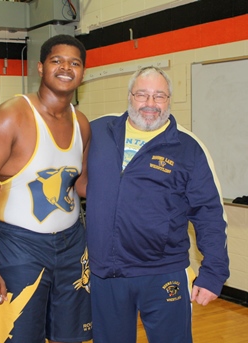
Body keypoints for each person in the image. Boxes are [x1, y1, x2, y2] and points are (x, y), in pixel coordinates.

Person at [81, 66, 229, 343]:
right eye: (143, 95)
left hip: (162, 271)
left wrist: (213, 273)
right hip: (107, 273)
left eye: (159, 96)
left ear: (170, 101)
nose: (150, 104)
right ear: (129, 96)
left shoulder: (187, 148)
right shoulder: (99, 131)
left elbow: (208, 213)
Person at [0, 34, 92, 343]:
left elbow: (82, 186)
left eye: (75, 63)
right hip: (19, 248)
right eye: (56, 60)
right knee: (18, 337)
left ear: (83, 72)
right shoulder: (8, 119)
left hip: (72, 245)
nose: (65, 68)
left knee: (70, 336)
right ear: (40, 67)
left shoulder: (82, 123)